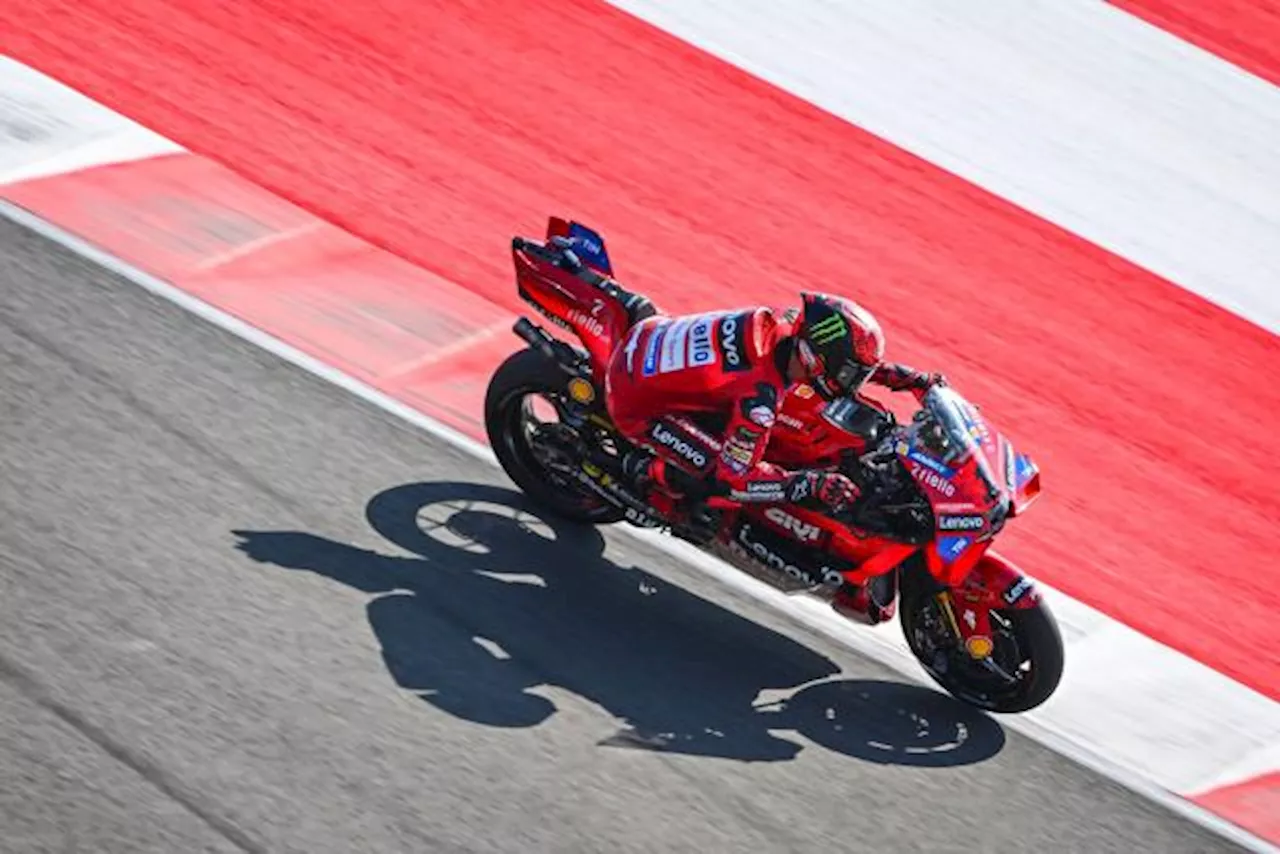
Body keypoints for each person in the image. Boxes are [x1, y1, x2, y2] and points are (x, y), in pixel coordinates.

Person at [602, 291, 945, 622]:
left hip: (651, 341)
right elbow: (737, 479)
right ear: (815, 359)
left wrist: (905, 379)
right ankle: (650, 472)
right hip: (639, 406)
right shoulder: (759, 403)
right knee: (717, 483)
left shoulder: (786, 327)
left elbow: (840, 357)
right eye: (847, 374)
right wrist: (808, 483)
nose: (852, 384)